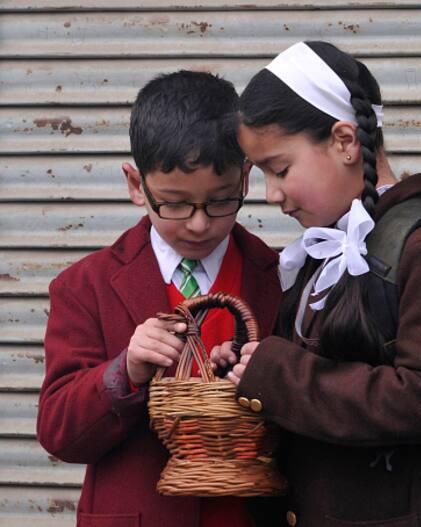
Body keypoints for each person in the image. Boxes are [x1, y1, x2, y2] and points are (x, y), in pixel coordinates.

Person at [212, 41, 421, 526]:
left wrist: (280, 377)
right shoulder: (324, 250)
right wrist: (245, 366)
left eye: (280, 169)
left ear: (346, 141)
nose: (270, 194)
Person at [36, 70, 282, 527]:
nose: (198, 224)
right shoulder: (84, 286)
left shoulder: (281, 278)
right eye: (174, 204)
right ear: (135, 185)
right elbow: (58, 432)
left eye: (220, 201)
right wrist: (123, 372)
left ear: (246, 180)